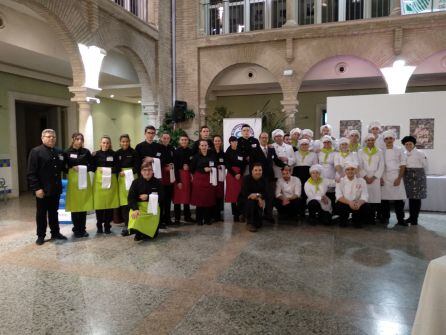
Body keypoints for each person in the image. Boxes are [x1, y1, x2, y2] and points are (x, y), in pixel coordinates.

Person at [27, 129, 67, 245]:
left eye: (53, 137)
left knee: (54, 212)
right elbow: (31, 172)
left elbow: (64, 166)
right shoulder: (36, 151)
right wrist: (36, 188)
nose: (51, 139)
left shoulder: (59, 151)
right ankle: (41, 235)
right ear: (42, 138)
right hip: (42, 190)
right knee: (41, 214)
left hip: (55, 189)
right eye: (48, 137)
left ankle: (55, 233)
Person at [250, 132, 285, 222]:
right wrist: (253, 176)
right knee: (259, 196)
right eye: (262, 137)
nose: (264, 139)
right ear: (259, 139)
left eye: (266, 137)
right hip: (259, 177)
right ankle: (257, 215)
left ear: (268, 139)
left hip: (270, 177)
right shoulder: (254, 150)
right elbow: (251, 164)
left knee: (270, 197)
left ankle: (268, 215)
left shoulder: (271, 149)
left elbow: (276, 160)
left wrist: (285, 166)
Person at [64, 132, 94, 238]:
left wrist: (84, 168)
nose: (79, 141)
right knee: (75, 205)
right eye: (77, 139)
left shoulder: (86, 152)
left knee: (83, 205)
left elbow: (92, 166)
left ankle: (83, 229)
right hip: (73, 181)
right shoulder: (67, 152)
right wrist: (71, 168)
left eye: (81, 139)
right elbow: (64, 167)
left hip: (84, 180)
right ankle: (76, 228)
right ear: (73, 139)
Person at [127, 162, 163, 241]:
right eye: (145, 170)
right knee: (136, 216)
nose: (147, 172)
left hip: (153, 209)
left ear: (153, 171)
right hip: (139, 207)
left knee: (152, 236)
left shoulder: (158, 182)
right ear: (141, 171)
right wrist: (135, 209)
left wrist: (148, 197)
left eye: (149, 170)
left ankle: (146, 233)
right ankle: (138, 232)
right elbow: (130, 198)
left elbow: (162, 197)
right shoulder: (135, 182)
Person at [92, 135, 119, 234]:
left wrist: (111, 170)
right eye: (103, 142)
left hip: (111, 181)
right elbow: (92, 166)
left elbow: (117, 168)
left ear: (110, 144)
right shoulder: (96, 154)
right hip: (98, 182)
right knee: (99, 204)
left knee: (109, 204)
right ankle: (99, 225)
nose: (105, 144)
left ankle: (107, 226)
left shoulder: (114, 154)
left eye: (107, 143)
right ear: (100, 143)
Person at [380, 130, 407, 226]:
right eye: (386, 139)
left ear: (394, 139)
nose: (389, 140)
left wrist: (399, 178)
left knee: (399, 200)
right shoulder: (381, 151)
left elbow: (403, 164)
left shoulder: (399, 149)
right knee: (384, 200)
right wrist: (381, 178)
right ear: (384, 140)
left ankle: (400, 219)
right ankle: (385, 218)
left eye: (390, 138)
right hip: (385, 176)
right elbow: (380, 165)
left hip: (396, 175)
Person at [335, 163, 372, 228]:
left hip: (357, 203)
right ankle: (344, 219)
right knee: (342, 224)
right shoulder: (340, 181)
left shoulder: (361, 181)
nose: (350, 171)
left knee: (367, 207)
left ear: (355, 170)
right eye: (348, 169)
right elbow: (338, 196)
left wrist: (359, 203)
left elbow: (365, 195)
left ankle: (356, 219)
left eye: (352, 169)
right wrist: (350, 203)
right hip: (345, 203)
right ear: (345, 171)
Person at [116, 134, 139, 236]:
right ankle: (126, 224)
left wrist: (128, 172)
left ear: (129, 142)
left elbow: (137, 166)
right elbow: (115, 166)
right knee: (124, 203)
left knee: (132, 200)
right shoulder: (117, 153)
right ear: (120, 142)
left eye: (127, 141)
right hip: (121, 179)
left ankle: (134, 224)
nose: (125, 143)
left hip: (132, 178)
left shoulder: (134, 152)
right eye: (123, 141)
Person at [358, 133, 384, 223]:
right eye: (368, 140)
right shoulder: (361, 151)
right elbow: (359, 165)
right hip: (364, 177)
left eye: (372, 140)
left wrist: (374, 177)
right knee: (364, 197)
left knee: (374, 198)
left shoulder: (379, 151)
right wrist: (365, 176)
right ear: (365, 141)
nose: (370, 141)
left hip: (375, 177)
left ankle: (372, 218)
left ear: (374, 141)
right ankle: (364, 217)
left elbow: (381, 166)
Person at [402, 135, 427, 226]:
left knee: (416, 199)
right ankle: (411, 217)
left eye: (410, 144)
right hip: (408, 176)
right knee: (411, 198)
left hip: (418, 176)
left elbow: (425, 165)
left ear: (414, 144)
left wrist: (419, 175)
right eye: (406, 144)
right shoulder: (404, 153)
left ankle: (414, 218)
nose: (408, 145)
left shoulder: (420, 153)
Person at [190, 140, 216, 225]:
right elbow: (192, 169)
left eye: (205, 145)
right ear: (199, 146)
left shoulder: (212, 155)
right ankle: (199, 220)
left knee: (208, 199)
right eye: (202, 145)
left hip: (209, 179)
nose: (204, 147)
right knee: (199, 200)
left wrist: (211, 168)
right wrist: (203, 169)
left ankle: (207, 219)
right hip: (199, 180)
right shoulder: (196, 157)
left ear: (208, 146)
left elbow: (215, 164)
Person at [238, 163, 269, 232]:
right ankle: (249, 223)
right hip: (245, 202)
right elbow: (245, 193)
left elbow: (266, 193)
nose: (258, 172)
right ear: (252, 171)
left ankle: (246, 216)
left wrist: (258, 196)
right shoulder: (246, 178)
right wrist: (258, 198)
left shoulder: (264, 179)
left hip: (258, 202)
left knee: (258, 224)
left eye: (260, 170)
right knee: (251, 201)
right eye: (256, 170)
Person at [293, 138, 318, 217]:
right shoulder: (295, 153)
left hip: (308, 175)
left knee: (306, 192)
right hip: (297, 174)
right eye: (302, 144)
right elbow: (293, 165)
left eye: (306, 144)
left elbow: (315, 166)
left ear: (309, 145)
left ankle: (307, 210)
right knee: (298, 192)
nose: (304, 146)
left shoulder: (313, 154)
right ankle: (299, 211)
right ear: (299, 145)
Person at [173, 134, 194, 224]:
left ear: (188, 141)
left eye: (185, 140)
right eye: (182, 140)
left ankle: (187, 216)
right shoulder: (176, 151)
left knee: (187, 197)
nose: (184, 141)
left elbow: (193, 163)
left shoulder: (191, 151)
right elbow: (175, 167)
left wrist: (189, 167)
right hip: (179, 175)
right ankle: (177, 218)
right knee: (177, 199)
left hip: (187, 176)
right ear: (179, 141)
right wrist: (178, 181)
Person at [224, 136, 244, 221]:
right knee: (233, 195)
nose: (234, 143)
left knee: (240, 194)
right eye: (233, 141)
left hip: (240, 174)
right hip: (231, 175)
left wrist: (240, 173)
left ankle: (240, 212)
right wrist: (235, 174)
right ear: (230, 143)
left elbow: (243, 163)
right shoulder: (227, 152)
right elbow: (227, 165)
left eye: (235, 141)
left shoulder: (240, 151)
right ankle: (235, 214)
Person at [159, 132, 175, 227]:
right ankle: (160, 220)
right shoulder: (157, 148)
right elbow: (156, 161)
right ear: (161, 139)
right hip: (161, 175)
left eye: (167, 138)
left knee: (168, 199)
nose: (166, 139)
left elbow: (174, 160)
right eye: (164, 138)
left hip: (170, 175)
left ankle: (168, 218)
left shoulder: (171, 148)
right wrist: (164, 167)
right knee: (161, 199)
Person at [318, 135, 336, 205]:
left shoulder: (335, 153)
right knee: (323, 192)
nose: (327, 144)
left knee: (331, 192)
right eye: (325, 142)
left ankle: (333, 209)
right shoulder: (319, 153)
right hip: (322, 174)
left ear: (331, 143)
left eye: (328, 142)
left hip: (332, 174)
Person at [212, 135, 225, 222]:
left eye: (219, 141)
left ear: (221, 142)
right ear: (213, 142)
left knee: (220, 195)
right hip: (212, 177)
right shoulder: (210, 152)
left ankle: (218, 214)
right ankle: (212, 214)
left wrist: (222, 166)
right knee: (212, 195)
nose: (217, 142)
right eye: (216, 141)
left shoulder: (223, 153)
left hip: (220, 177)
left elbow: (226, 163)